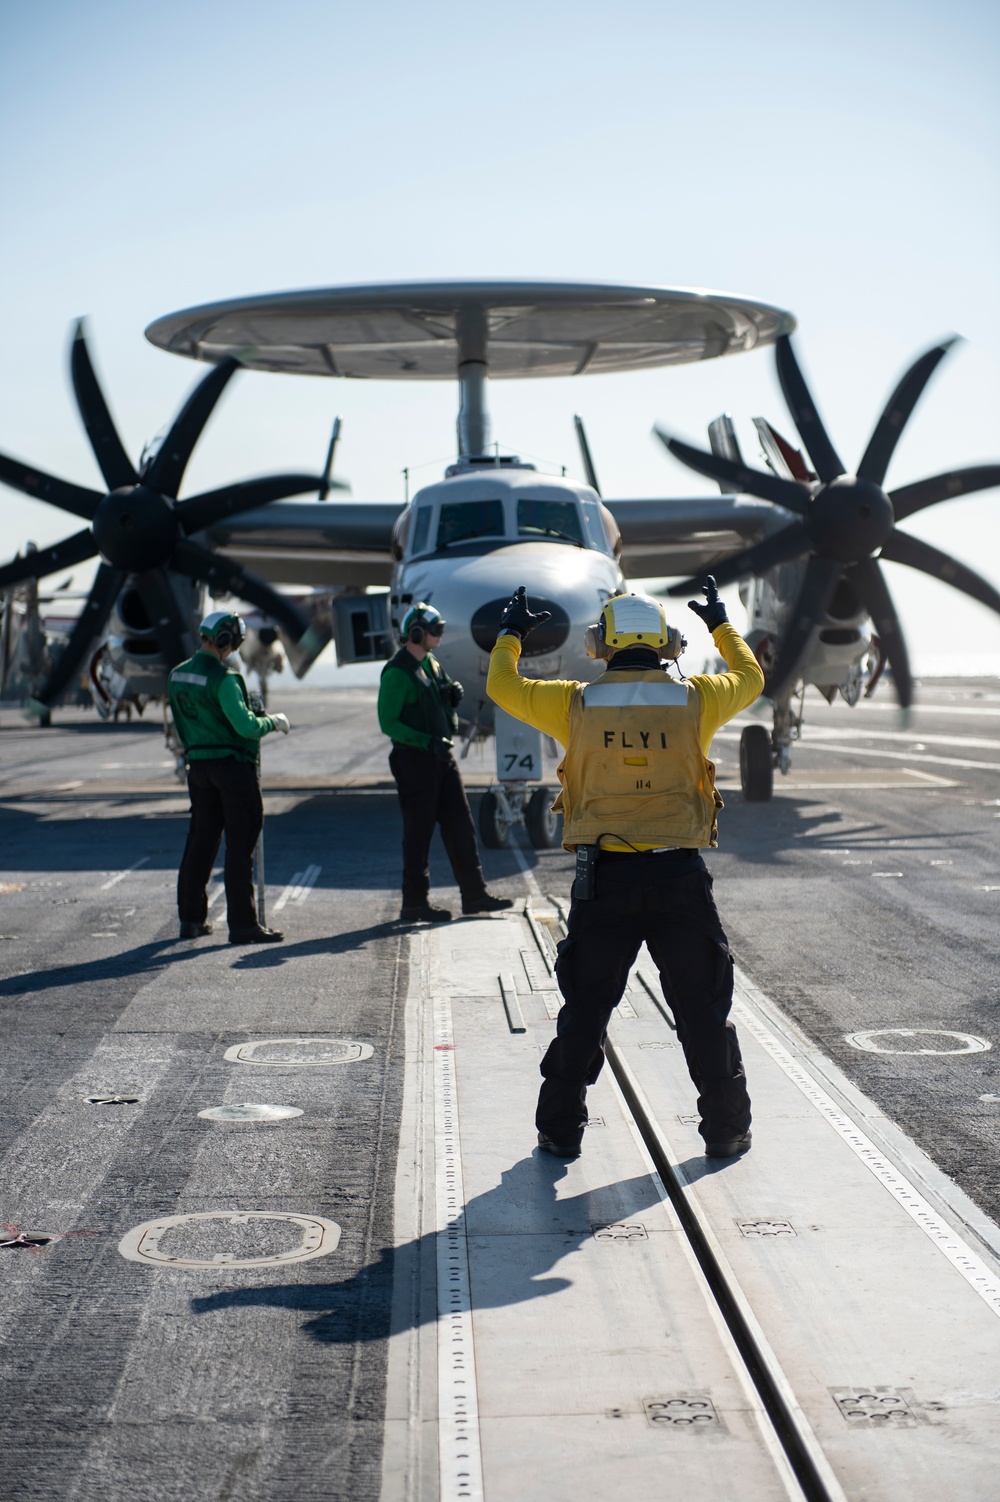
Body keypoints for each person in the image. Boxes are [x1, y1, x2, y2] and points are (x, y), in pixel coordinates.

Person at [487, 578, 764, 1160]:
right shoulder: (697, 698)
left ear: (599, 645)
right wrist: (720, 623)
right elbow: (752, 679)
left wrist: (512, 632)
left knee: (586, 1009)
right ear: (666, 643)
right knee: (702, 1008)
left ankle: (560, 1131)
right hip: (679, 878)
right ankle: (725, 1130)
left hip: (605, 879)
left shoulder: (575, 703)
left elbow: (501, 684)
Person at [378, 602, 513, 924]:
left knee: (461, 827)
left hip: (441, 757)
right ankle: (414, 903)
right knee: (418, 833)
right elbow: (389, 723)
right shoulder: (397, 672)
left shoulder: (432, 664)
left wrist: (451, 702)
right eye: (435, 630)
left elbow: (442, 707)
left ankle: (474, 895)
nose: (440, 635)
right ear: (416, 633)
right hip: (415, 760)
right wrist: (426, 742)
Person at [168, 610, 290, 944]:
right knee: (240, 845)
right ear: (225, 640)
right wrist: (273, 721)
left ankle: (191, 919)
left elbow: (180, 726)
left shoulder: (177, 675)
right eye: (233, 642)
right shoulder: (225, 678)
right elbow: (246, 726)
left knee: (200, 842)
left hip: (199, 768)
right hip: (233, 768)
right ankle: (243, 925)